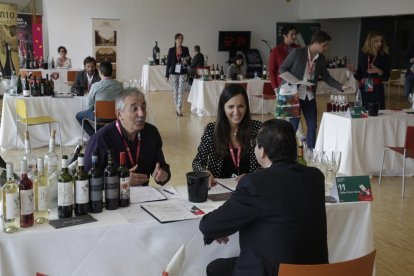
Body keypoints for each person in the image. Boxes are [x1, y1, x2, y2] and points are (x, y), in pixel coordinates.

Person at [199, 119, 328, 276]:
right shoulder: (315, 177)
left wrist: (217, 230)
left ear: (262, 151)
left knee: (215, 268)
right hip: (314, 271)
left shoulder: (255, 183)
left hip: (275, 271)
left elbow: (208, 225)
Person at [84, 88, 171, 186]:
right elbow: (86, 180)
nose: (141, 114)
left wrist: (163, 174)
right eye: (134, 109)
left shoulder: (151, 133)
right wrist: (120, 182)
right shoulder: (101, 139)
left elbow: (161, 166)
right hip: (112, 197)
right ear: (119, 114)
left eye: (143, 107)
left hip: (144, 197)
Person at [279, 30, 349, 149]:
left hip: (309, 95)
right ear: (316, 43)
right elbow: (282, 68)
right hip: (293, 94)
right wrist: (293, 80)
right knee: (293, 126)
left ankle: (311, 152)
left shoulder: (320, 58)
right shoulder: (297, 53)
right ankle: (287, 153)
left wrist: (341, 86)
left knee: (312, 126)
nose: (326, 48)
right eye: (324, 45)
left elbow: (326, 76)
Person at [192, 84, 262, 186]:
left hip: (249, 188)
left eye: (241, 106)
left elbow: (267, 164)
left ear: (246, 107)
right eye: (231, 107)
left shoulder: (257, 128)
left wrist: (251, 177)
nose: (236, 112)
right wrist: (204, 173)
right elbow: (197, 162)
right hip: (219, 189)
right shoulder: (212, 130)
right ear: (223, 107)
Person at [75, 61, 124, 137]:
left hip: (99, 117)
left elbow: (89, 106)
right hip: (115, 116)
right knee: (99, 117)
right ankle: (100, 136)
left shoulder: (95, 86)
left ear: (100, 72)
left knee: (78, 115)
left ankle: (95, 136)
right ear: (112, 72)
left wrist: (93, 110)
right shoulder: (120, 85)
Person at [349, 31, 390, 110]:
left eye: (381, 41)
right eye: (377, 41)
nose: (380, 43)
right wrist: (354, 71)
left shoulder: (384, 56)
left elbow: (386, 77)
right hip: (364, 88)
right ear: (370, 42)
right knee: (363, 111)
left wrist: (379, 71)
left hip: (377, 90)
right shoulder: (364, 55)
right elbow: (360, 76)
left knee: (376, 112)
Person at [166, 33, 190, 117]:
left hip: (183, 71)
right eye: (179, 38)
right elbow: (168, 63)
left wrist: (187, 61)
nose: (181, 40)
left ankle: (179, 108)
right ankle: (176, 107)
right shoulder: (171, 50)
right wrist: (167, 75)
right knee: (175, 90)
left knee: (181, 90)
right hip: (173, 72)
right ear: (175, 40)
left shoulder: (185, 49)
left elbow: (189, 61)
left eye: (182, 38)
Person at [269, 25, 300, 91]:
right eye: (292, 34)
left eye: (295, 34)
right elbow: (271, 71)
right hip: (282, 86)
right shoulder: (276, 51)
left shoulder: (299, 49)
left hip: (297, 86)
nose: (294, 36)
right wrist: (275, 88)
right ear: (284, 35)